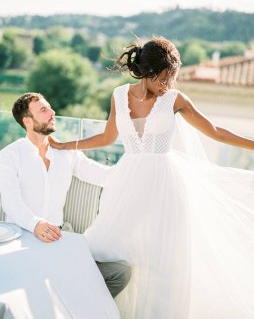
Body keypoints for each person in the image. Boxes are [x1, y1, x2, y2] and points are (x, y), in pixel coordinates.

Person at [49, 37, 254, 319]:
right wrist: (65, 145)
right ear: (151, 71)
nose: (169, 84)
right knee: (109, 247)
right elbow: (107, 137)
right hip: (127, 184)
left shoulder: (175, 99)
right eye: (166, 77)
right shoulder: (119, 96)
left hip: (166, 186)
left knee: (163, 259)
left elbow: (215, 131)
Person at [0, 92, 131, 299]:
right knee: (34, 289)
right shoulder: (8, 156)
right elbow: (10, 200)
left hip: (58, 242)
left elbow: (104, 176)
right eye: (44, 110)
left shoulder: (66, 153)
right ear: (27, 121)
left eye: (50, 107)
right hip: (20, 240)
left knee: (119, 273)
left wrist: (138, 162)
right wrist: (36, 224)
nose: (53, 112)